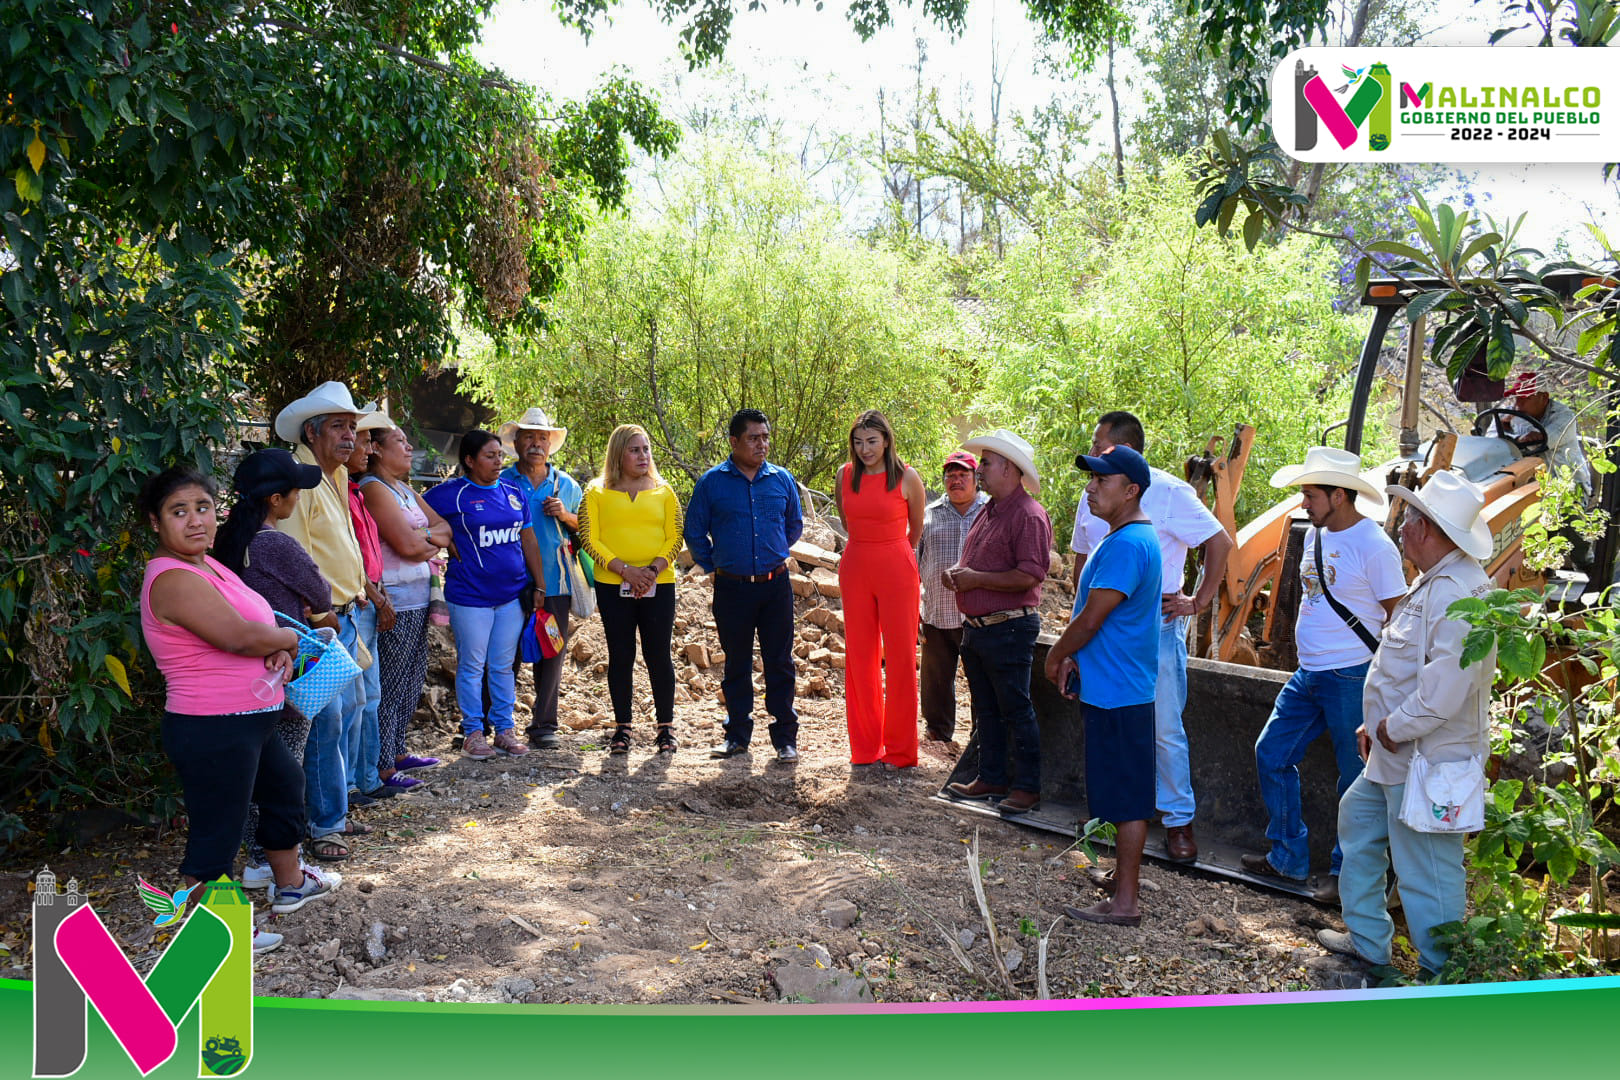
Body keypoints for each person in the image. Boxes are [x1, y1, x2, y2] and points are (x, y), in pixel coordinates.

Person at [138, 467, 339, 954]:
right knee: (217, 832)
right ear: (156, 523)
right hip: (211, 726)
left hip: (250, 720)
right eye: (178, 512)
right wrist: (291, 639)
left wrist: (279, 651)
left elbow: (256, 623)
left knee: (285, 786)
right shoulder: (170, 578)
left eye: (202, 508)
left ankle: (290, 882)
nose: (194, 521)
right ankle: (210, 932)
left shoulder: (211, 566)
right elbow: (237, 636)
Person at [1318, 472, 1497, 976]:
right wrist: (1376, 726)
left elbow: (1443, 689)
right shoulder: (1436, 581)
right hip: (1394, 751)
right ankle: (1369, 941)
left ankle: (1440, 971)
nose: (1400, 530)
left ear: (1429, 528)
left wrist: (1391, 728)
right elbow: (1405, 669)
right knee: (1359, 824)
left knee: (1427, 867)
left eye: (1408, 521)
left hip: (1425, 758)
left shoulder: (1460, 593)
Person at [1068, 411, 1234, 864]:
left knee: (1162, 728)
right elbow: (1082, 557)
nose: (1096, 458)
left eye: (1102, 447)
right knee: (1106, 723)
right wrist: (1077, 623)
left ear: (1128, 452)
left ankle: (1178, 821)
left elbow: (1218, 541)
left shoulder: (1169, 493)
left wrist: (1197, 601)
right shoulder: (1094, 493)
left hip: (1153, 627)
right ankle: (1111, 816)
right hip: (1100, 627)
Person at [1243, 446, 1407, 902]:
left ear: (1339, 494)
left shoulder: (1374, 546)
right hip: (1309, 672)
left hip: (1352, 674)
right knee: (1271, 753)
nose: (1303, 503)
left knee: (1355, 777)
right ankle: (1288, 857)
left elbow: (1399, 618)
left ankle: (1346, 875)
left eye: (1311, 494)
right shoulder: (1315, 536)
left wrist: (1386, 681)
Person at [212, 448, 340, 890]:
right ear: (274, 500)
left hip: (241, 677)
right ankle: (280, 864)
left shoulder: (225, 543)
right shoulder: (276, 545)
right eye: (294, 491)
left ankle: (254, 858)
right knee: (286, 775)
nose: (298, 498)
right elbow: (321, 595)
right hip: (286, 672)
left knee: (253, 776)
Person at [1046, 445, 1161, 926]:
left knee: (1128, 799)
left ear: (1131, 490)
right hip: (1113, 686)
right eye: (1091, 479)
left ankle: (1126, 902)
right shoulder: (1125, 540)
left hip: (1121, 692)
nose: (1091, 488)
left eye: (1102, 480)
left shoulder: (1130, 544)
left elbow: (1093, 617)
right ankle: (1121, 882)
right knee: (1118, 793)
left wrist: (1056, 653)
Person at [272, 381, 378, 862]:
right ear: (312, 431)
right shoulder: (303, 476)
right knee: (325, 723)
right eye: (339, 426)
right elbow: (296, 557)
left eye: (353, 428)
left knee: (349, 710)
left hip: (343, 613)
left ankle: (335, 809)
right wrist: (321, 619)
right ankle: (324, 824)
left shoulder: (330, 475)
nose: (350, 437)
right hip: (322, 620)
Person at [684, 408, 804, 763]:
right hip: (732, 588)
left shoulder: (782, 480)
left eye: (765, 437)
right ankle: (736, 736)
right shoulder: (712, 483)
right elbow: (694, 530)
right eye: (753, 438)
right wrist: (714, 563)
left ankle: (785, 738)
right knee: (736, 662)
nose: (762, 444)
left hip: (774, 585)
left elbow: (793, 525)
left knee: (779, 662)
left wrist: (773, 551)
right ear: (734, 442)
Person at [942, 430, 1052, 815]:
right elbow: (986, 566)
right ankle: (991, 776)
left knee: (1015, 708)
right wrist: (960, 575)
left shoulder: (1028, 515)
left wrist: (975, 579)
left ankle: (1026, 786)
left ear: (1009, 468)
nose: (981, 470)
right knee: (987, 707)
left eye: (987, 463)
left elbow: (1030, 575)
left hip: (1007, 628)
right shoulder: (991, 511)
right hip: (980, 627)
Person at [423, 430, 549, 761]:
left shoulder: (512, 491)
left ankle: (505, 731)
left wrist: (540, 584)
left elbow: (529, 540)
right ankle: (473, 733)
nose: (498, 462)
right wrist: (444, 539)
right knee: (472, 664)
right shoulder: (451, 494)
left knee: (503, 665)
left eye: (499, 455)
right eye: (490, 456)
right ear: (469, 460)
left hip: (510, 596)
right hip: (470, 596)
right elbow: (413, 513)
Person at [578, 424, 685, 754]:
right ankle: (622, 729)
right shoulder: (595, 493)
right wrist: (624, 570)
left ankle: (665, 729)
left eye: (646, 449)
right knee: (621, 656)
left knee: (658, 656)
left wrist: (650, 571)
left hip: (659, 584)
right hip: (613, 586)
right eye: (635, 449)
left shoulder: (665, 491)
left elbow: (675, 537)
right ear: (618, 453)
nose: (643, 455)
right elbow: (589, 538)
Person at [359, 416, 451, 786]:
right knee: (391, 683)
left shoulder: (402, 489)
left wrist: (423, 533)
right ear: (377, 449)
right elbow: (408, 546)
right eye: (400, 440)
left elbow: (444, 527)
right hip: (395, 599)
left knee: (411, 680)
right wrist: (425, 537)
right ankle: (383, 766)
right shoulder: (374, 487)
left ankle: (397, 749)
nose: (410, 446)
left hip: (418, 598)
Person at [835, 410, 926, 769]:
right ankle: (866, 747)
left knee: (902, 657)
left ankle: (901, 751)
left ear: (886, 440)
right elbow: (846, 520)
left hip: (897, 567)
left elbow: (915, 529)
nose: (865, 449)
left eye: (872, 441)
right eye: (858, 442)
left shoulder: (907, 477)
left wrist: (894, 551)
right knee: (860, 657)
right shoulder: (845, 474)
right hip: (856, 565)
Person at [497, 408, 582, 750]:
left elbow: (585, 531)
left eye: (542, 437)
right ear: (516, 442)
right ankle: (497, 723)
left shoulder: (566, 485)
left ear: (551, 444)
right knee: (505, 654)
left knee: (551, 651)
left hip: (555, 582)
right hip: (508, 582)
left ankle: (544, 724)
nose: (536, 443)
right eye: (529, 436)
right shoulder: (501, 480)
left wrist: (565, 515)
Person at [343, 412, 398, 805]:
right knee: (353, 700)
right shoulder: (339, 493)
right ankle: (348, 783)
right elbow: (347, 559)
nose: (367, 449)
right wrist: (377, 597)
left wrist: (380, 593)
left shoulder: (354, 491)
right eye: (363, 441)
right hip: (356, 603)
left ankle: (366, 778)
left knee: (370, 695)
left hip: (370, 597)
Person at [916, 450, 987, 745]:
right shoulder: (928, 514)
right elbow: (914, 562)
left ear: (976, 479)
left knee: (982, 680)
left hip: (980, 615)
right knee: (936, 679)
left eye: (963, 475)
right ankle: (938, 731)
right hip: (937, 611)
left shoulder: (990, 512)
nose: (956, 481)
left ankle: (982, 737)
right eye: (951, 475)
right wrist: (914, 605)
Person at [1503, 371, 1592, 498]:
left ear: (1544, 397)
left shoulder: (1564, 416)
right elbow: (1490, 441)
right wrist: (1511, 434)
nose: (1518, 404)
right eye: (1516, 398)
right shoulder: (1511, 412)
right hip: (1530, 484)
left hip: (1568, 486)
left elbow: (1537, 443)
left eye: (1525, 398)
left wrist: (1517, 422)